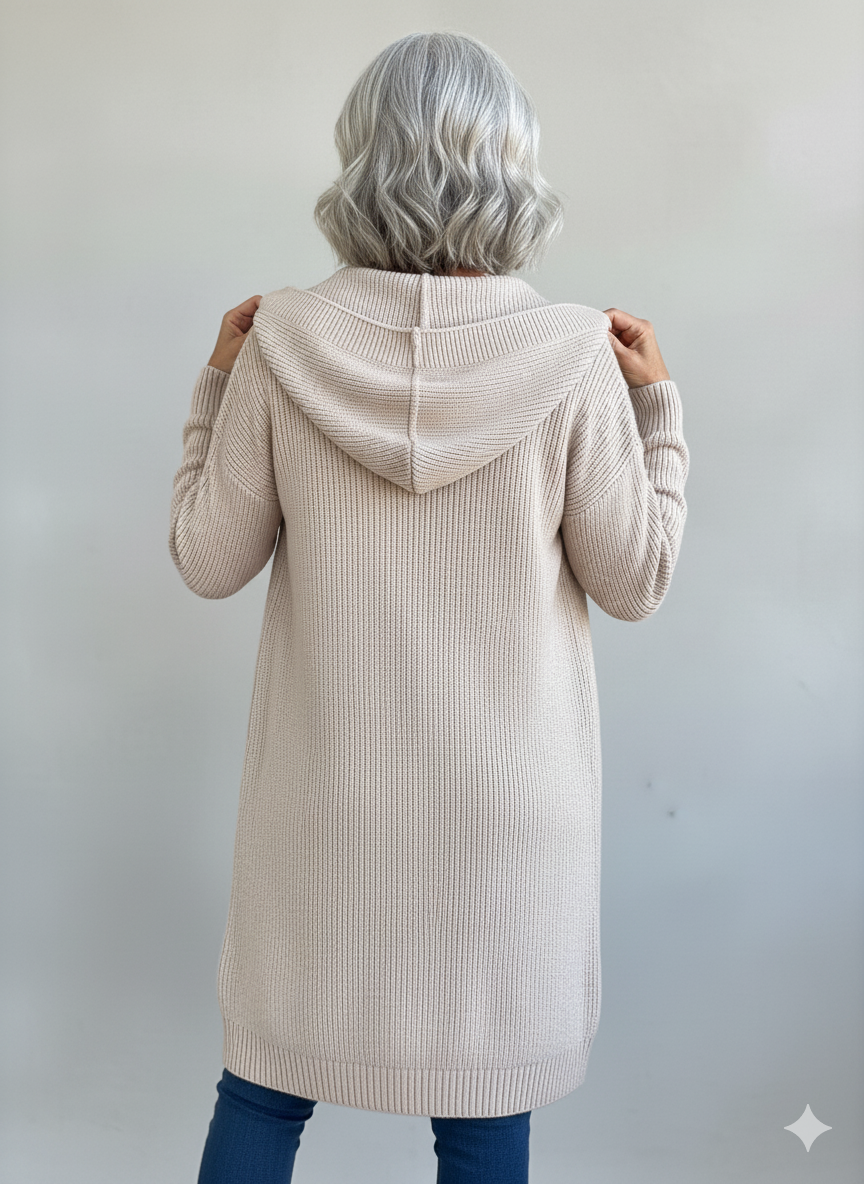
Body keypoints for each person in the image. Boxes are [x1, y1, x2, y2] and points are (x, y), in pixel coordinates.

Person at [169, 30, 688, 1184]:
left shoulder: (282, 341)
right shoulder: (574, 355)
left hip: (325, 807)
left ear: (361, 161)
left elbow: (207, 559)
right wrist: (658, 414)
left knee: (264, 1084)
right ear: (512, 166)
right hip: (506, 818)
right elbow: (636, 578)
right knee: (484, 1112)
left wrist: (217, 381)